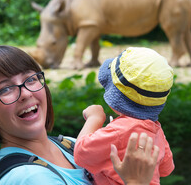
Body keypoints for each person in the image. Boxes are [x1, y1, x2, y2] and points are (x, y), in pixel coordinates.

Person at [0, 45, 159, 185]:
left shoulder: (69, 145)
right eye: (6, 90)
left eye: (30, 79)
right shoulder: (30, 179)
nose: (26, 93)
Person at [74, 47, 175, 185]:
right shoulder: (156, 130)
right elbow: (166, 169)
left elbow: (81, 153)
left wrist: (94, 119)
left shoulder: (119, 131)